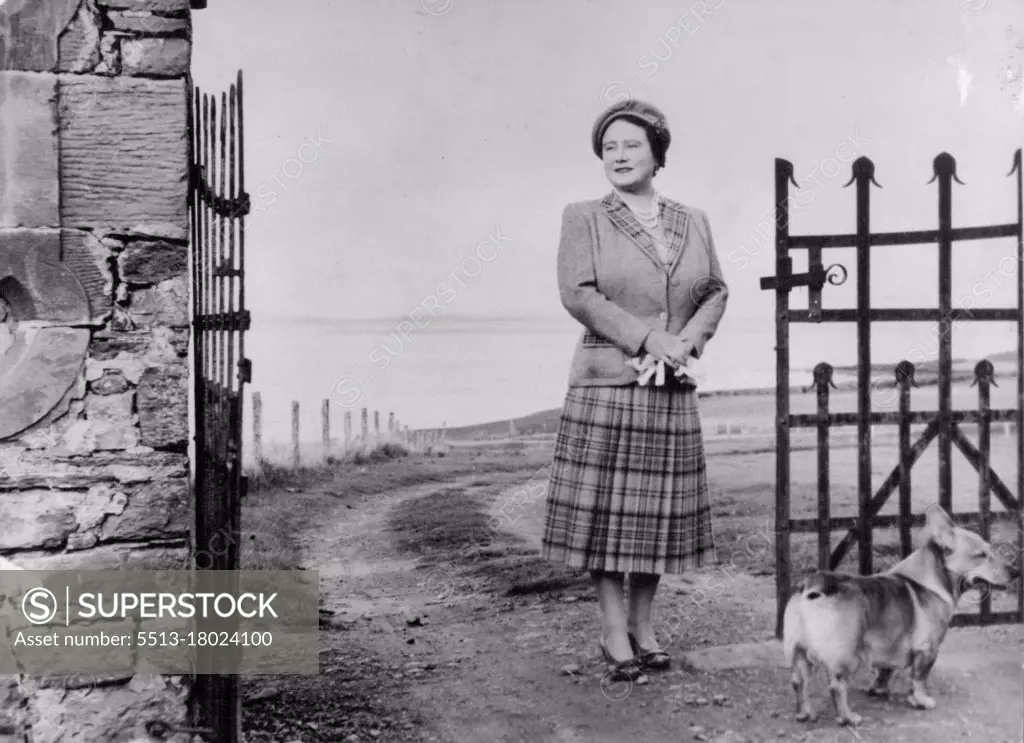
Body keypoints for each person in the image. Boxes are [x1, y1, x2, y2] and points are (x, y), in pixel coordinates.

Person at [540, 99, 729, 684]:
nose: (618, 156)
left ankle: (645, 630)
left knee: (656, 519)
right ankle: (611, 629)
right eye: (609, 147)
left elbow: (714, 291)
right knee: (604, 519)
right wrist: (649, 339)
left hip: (670, 386)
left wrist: (685, 344)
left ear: (657, 153)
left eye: (631, 145)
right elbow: (579, 295)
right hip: (608, 382)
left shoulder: (692, 219)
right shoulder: (584, 216)